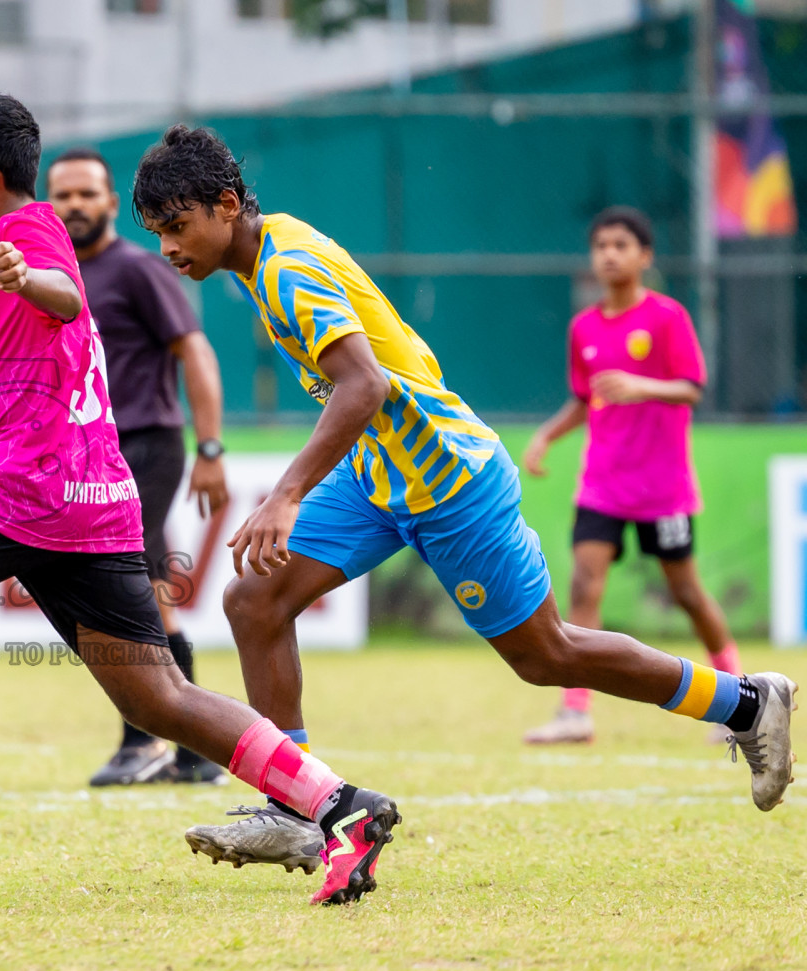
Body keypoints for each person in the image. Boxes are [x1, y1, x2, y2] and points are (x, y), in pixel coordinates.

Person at [128, 125, 796, 891]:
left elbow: (364, 385)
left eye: (177, 227)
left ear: (224, 205)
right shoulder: (262, 251)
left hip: (447, 477)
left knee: (545, 655)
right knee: (254, 599)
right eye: (158, 235)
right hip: (378, 473)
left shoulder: (286, 268)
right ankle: (297, 805)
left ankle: (745, 700)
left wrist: (285, 493)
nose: (171, 250)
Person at [0, 93, 399, 907]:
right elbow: (2, 400)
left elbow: (68, 296)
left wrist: (36, 278)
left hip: (21, 493)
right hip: (87, 501)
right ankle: (343, 806)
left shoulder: (25, 234)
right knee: (159, 698)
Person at [521, 207, 740, 746]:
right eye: (600, 246)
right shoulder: (584, 328)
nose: (609, 254)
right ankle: (576, 713)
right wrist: (548, 434)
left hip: (663, 489)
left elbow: (691, 387)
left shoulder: (667, 318)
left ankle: (738, 693)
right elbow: (584, 399)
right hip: (603, 484)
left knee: (686, 592)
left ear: (645, 256)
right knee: (584, 584)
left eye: (621, 245)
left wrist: (644, 386)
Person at [46, 147, 230, 787]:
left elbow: (195, 351)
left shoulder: (139, 270)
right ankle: (190, 750)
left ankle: (147, 743)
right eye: (62, 195)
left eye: (87, 193)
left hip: (146, 444)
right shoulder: (50, 277)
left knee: (131, 583)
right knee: (146, 588)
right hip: (83, 454)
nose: (74, 205)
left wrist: (210, 449)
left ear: (108, 202)